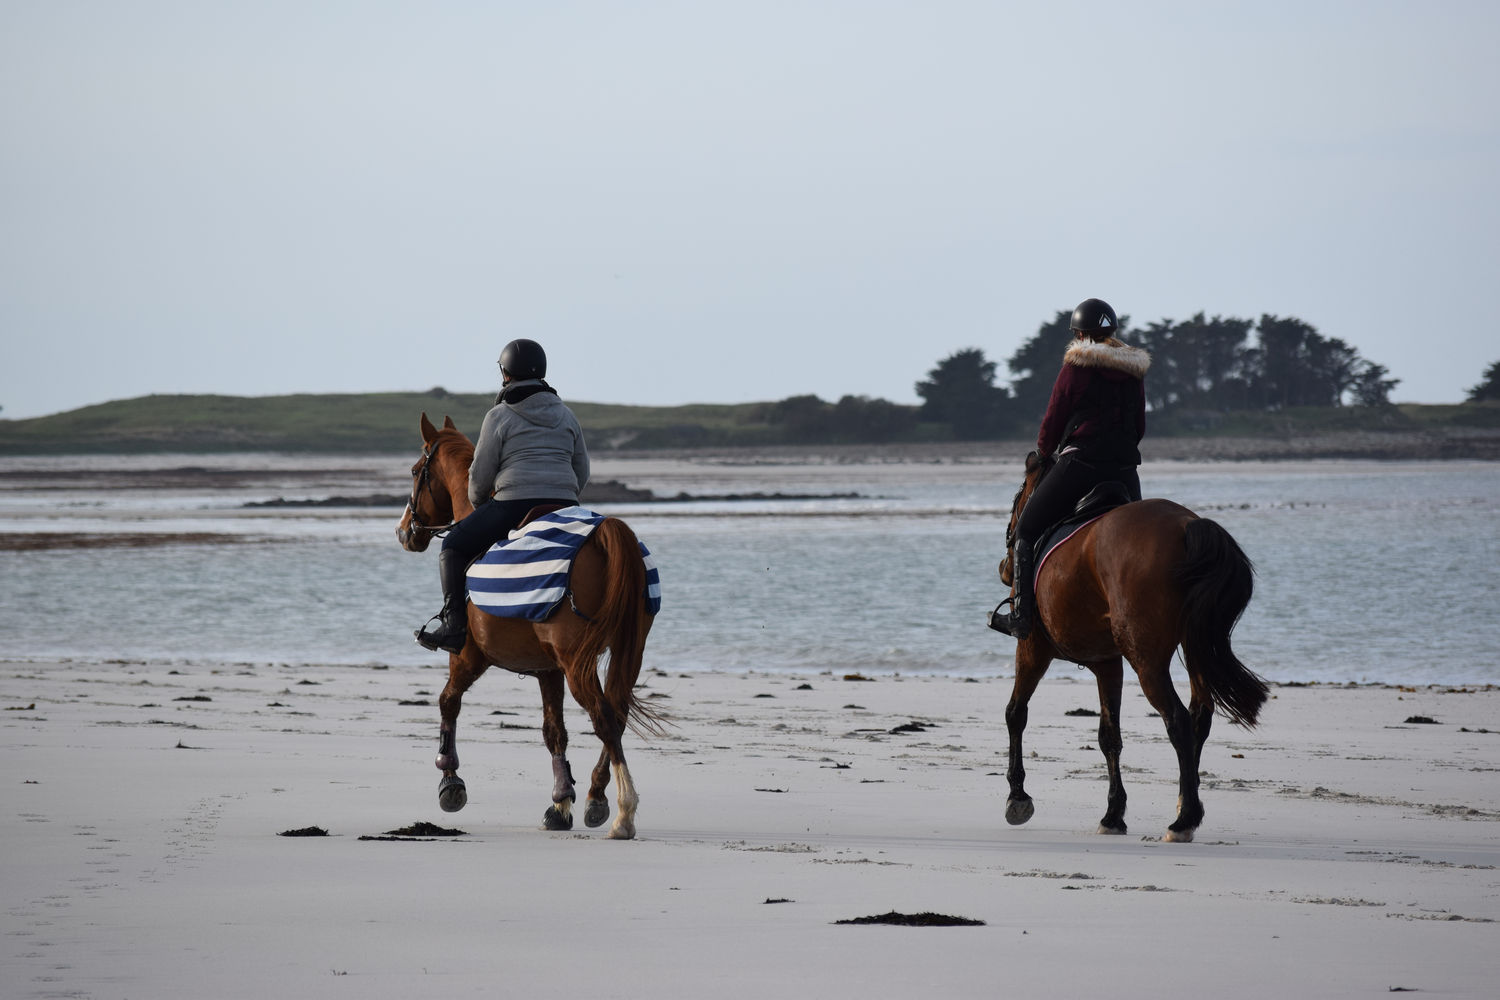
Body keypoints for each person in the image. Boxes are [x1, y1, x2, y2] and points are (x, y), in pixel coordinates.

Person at [988, 298, 1150, 640]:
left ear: (1079, 332)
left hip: (1081, 463)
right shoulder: (1133, 370)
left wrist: (1045, 452)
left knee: (1027, 531)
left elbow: (1054, 418)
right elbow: (1139, 426)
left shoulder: (1076, 366)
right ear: (1112, 331)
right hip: (1124, 470)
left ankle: (1020, 616)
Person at [415, 338, 591, 653]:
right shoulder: (567, 415)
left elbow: (480, 479)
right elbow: (582, 471)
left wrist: (484, 506)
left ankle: (454, 627)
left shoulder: (499, 416)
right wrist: (563, 495)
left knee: (454, 545)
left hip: (514, 503)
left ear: (506, 373)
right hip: (565, 505)